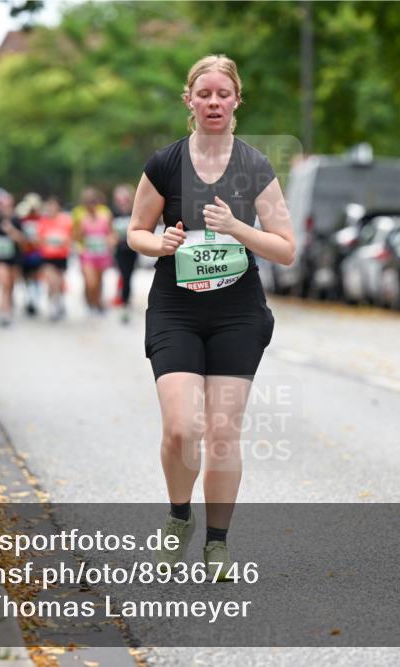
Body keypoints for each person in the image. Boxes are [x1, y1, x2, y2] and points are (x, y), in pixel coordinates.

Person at [126, 54, 295, 579]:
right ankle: (180, 515)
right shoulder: (164, 163)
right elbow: (135, 231)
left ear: (237, 100)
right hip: (176, 309)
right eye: (205, 94)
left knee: (222, 433)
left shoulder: (255, 167)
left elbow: (286, 248)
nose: (214, 102)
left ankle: (217, 544)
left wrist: (237, 228)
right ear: (190, 101)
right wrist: (160, 243)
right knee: (182, 429)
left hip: (237, 313)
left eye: (224, 94)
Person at [0, 189, 24, 327]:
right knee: (4, 283)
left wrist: (10, 230)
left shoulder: (16, 220)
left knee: (11, 285)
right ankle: (4, 311)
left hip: (14, 258)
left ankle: (8, 306)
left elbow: (22, 240)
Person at [73, 187, 114, 315]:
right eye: (89, 202)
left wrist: (110, 241)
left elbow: (111, 233)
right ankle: (90, 302)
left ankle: (97, 303)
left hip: (102, 254)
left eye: (94, 201)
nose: (92, 204)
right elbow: (76, 237)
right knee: (90, 282)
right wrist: (79, 248)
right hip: (88, 255)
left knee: (98, 281)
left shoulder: (105, 216)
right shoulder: (82, 218)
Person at [36, 195, 74, 321]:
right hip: (47, 256)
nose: (51, 208)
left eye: (54, 205)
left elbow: (71, 236)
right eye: (49, 205)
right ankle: (52, 305)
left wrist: (63, 241)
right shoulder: (43, 221)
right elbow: (39, 238)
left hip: (61, 256)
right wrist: (48, 240)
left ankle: (58, 300)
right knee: (51, 281)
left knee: (59, 282)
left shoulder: (66, 220)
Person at [111, 183, 139, 324]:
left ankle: (125, 300)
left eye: (125, 198)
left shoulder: (135, 211)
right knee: (123, 274)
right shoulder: (113, 213)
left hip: (131, 249)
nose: (122, 201)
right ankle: (124, 299)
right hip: (119, 250)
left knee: (128, 275)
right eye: (119, 198)